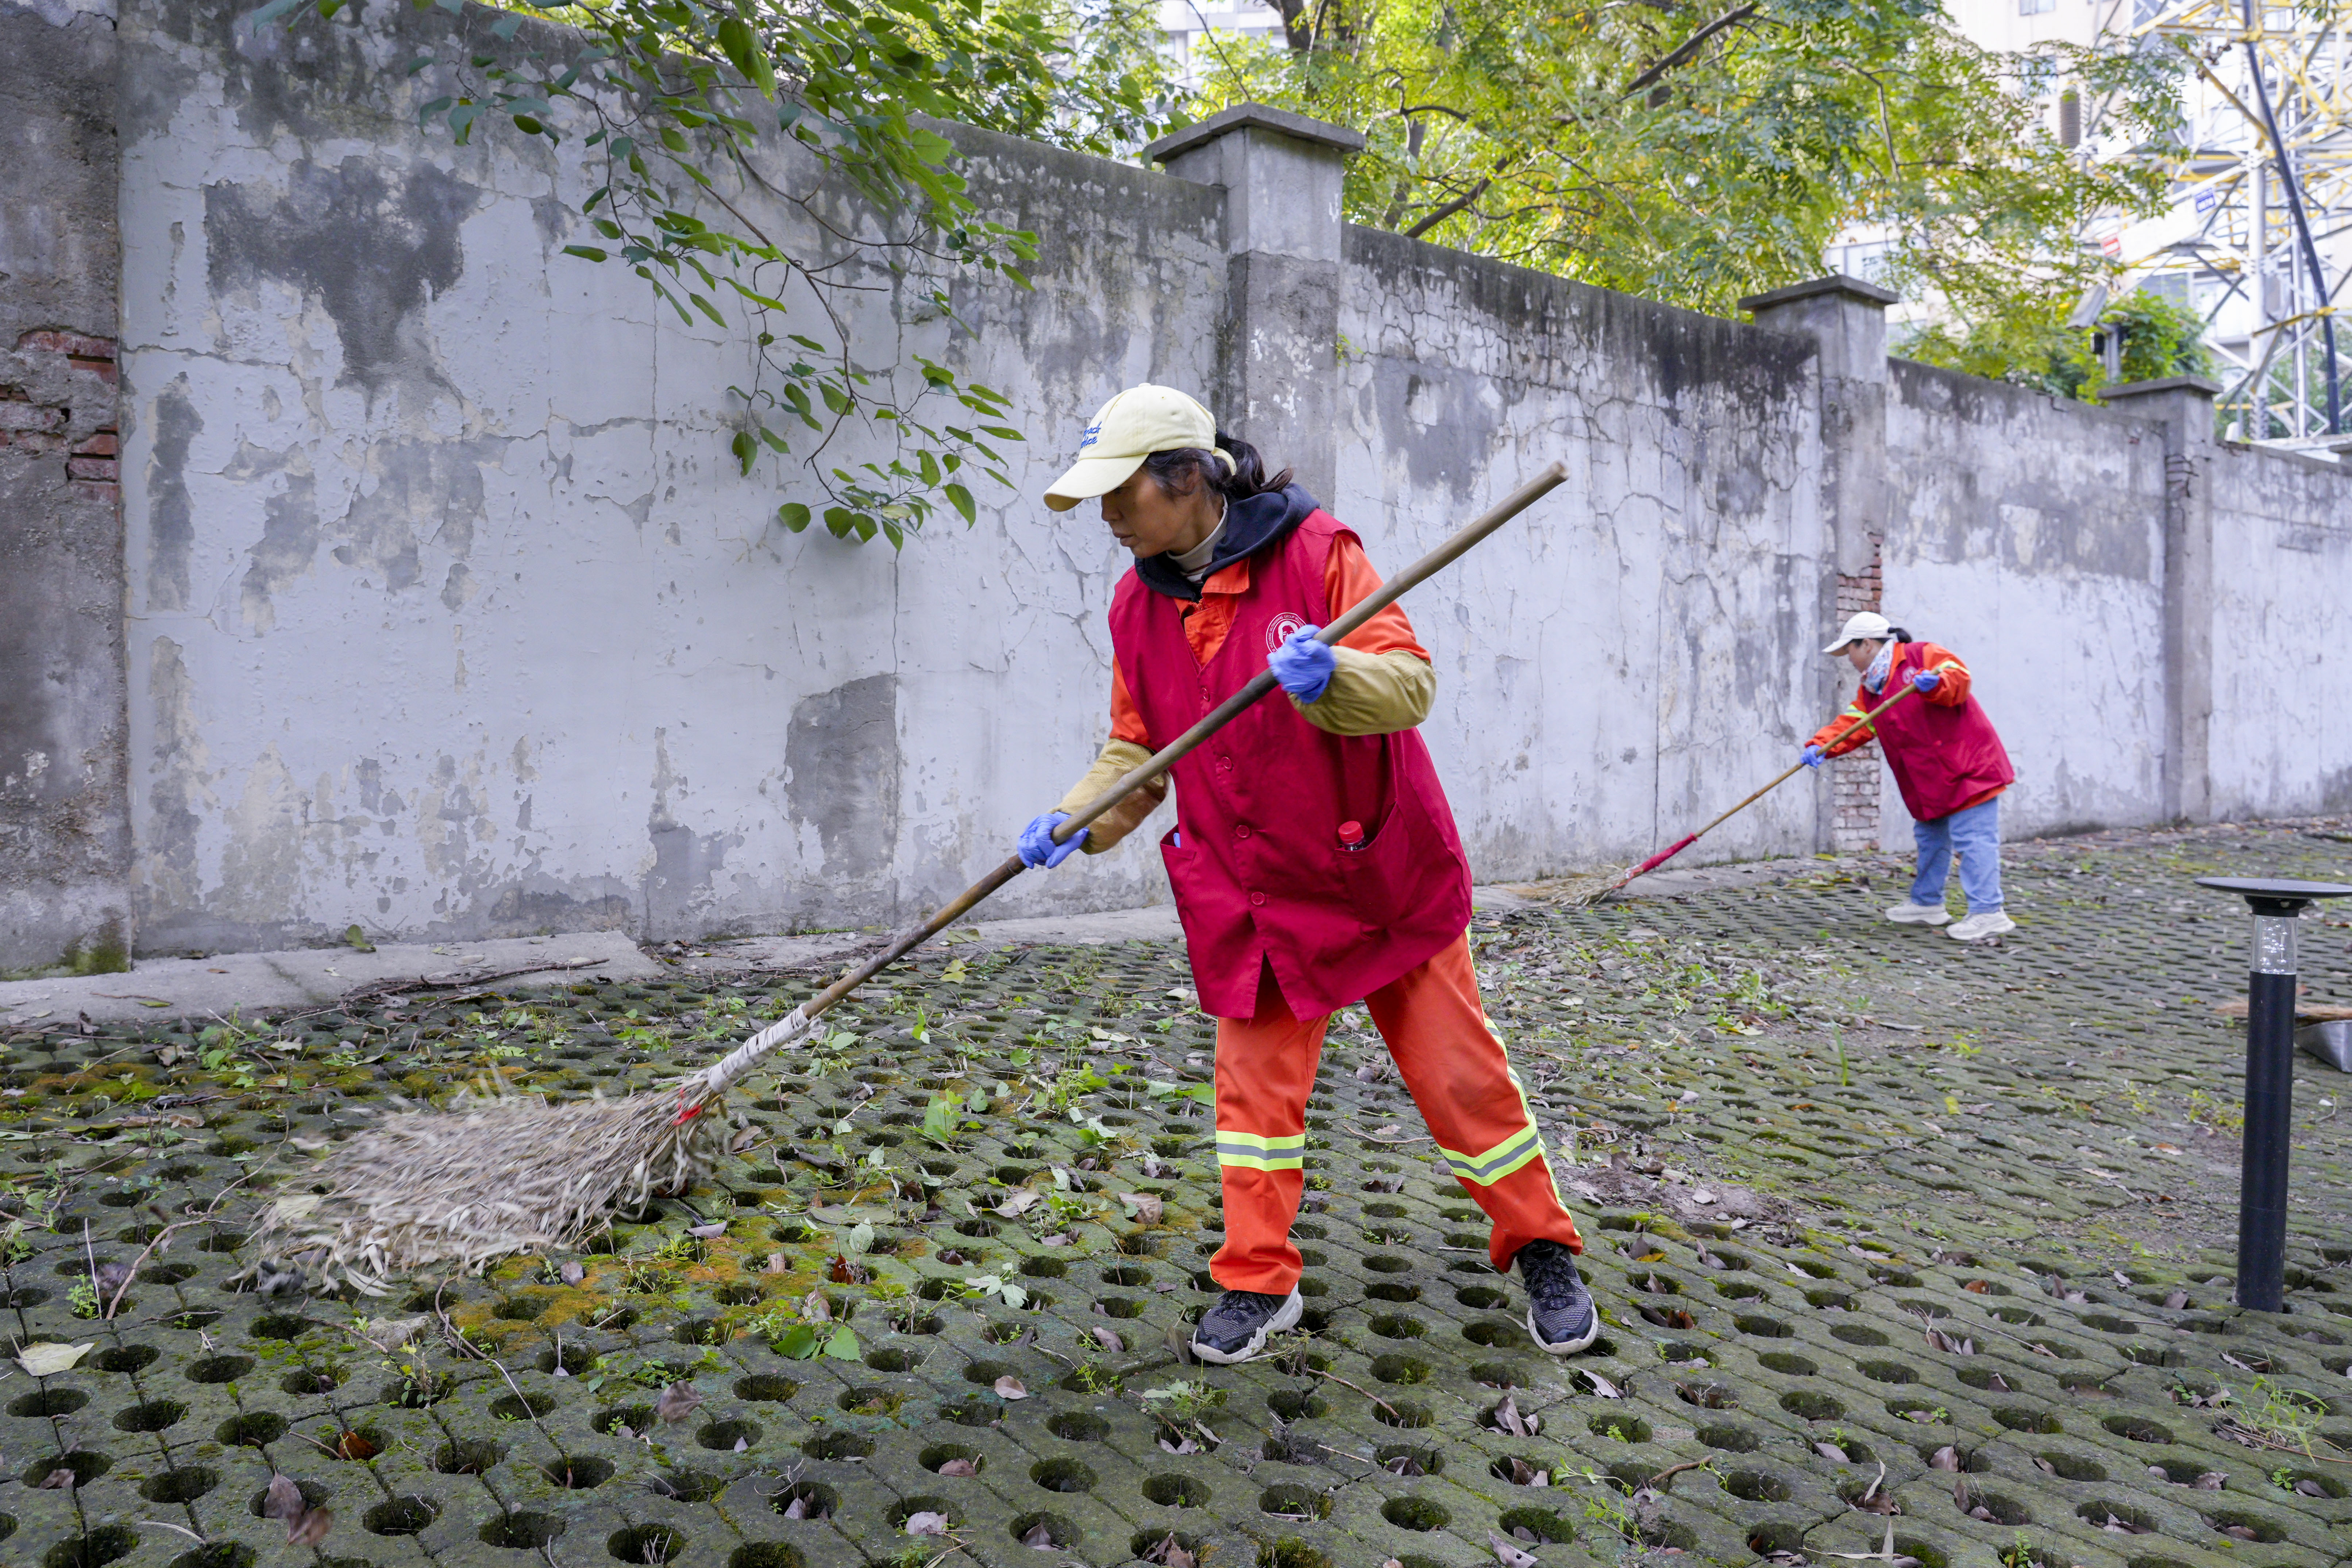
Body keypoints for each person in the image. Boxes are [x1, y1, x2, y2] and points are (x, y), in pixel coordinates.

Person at [1016, 384, 1596, 1365]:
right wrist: (1076, 819)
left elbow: (1407, 683)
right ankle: (1259, 1280)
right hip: (1253, 894)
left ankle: (1539, 1246)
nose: (1109, 519)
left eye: (1122, 496)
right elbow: (1136, 751)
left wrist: (1337, 681)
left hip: (1374, 874)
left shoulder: (1317, 553)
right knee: (1251, 1105)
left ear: (1187, 478)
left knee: (1460, 1080)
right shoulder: (1135, 603)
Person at [1803, 611, 2017, 942]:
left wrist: (1936, 685)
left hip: (1967, 768)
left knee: (1973, 840)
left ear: (1869, 645)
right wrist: (1821, 746)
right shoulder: (1873, 690)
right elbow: (1856, 723)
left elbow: (1958, 680)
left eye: (1851, 652)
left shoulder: (1922, 655)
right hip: (1931, 782)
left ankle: (1989, 912)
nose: (1850, 661)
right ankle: (1928, 903)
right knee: (1931, 839)